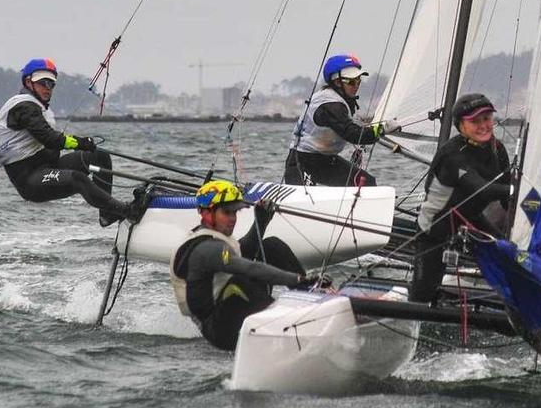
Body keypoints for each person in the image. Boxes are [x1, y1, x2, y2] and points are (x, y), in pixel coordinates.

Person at [170, 180, 325, 351]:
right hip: (217, 331)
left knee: (271, 246)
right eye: (226, 212)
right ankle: (290, 326)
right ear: (206, 213)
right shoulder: (208, 249)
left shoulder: (217, 239)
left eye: (235, 213)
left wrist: (261, 219)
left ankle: (316, 302)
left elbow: (247, 249)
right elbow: (247, 267)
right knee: (239, 283)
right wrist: (297, 279)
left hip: (231, 313)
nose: (232, 219)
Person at [0, 58, 136, 227]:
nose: (47, 88)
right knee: (78, 179)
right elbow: (50, 139)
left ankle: (108, 214)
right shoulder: (24, 106)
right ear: (28, 82)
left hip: (48, 166)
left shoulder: (37, 106)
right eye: (42, 82)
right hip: (30, 181)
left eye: (51, 84)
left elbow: (48, 138)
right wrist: (80, 142)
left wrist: (81, 144)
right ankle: (126, 211)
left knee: (99, 157)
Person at [409, 93, 512, 303]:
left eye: (487, 118)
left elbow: (507, 198)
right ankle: (415, 312)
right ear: (460, 126)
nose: (484, 125)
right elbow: (483, 190)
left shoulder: (497, 149)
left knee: (508, 255)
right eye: (475, 121)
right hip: (434, 229)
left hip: (471, 218)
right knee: (424, 293)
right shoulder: (453, 155)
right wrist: (517, 191)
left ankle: (517, 304)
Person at [284, 54, 400, 187]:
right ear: (337, 82)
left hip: (326, 162)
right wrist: (381, 130)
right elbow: (352, 133)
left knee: (366, 183)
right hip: (302, 162)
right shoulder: (329, 104)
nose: (356, 85)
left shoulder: (340, 100)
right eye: (351, 81)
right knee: (309, 197)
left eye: (358, 80)